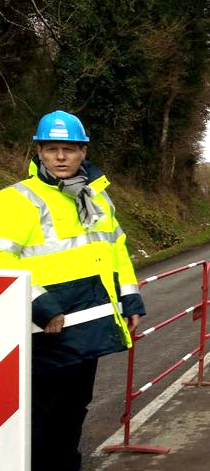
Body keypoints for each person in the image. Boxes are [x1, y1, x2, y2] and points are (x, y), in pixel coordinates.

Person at [0, 110, 145, 471]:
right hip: (44, 334)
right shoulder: (18, 200)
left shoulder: (96, 199)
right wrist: (41, 305)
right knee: (41, 423)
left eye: (69, 148)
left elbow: (116, 249)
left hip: (88, 330)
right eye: (52, 149)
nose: (61, 157)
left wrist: (130, 298)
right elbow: (2, 261)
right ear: (38, 152)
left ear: (83, 152)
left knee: (73, 415)